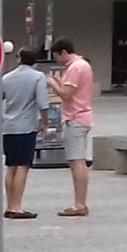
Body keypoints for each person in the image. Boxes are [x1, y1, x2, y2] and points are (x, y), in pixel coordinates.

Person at [0, 45, 49, 219]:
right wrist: (45, 123)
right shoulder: (38, 77)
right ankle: (17, 206)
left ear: (19, 58)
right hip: (26, 127)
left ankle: (9, 204)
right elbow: (42, 103)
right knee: (23, 166)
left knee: (11, 166)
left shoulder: (6, 77)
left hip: (8, 127)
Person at [45, 40, 95, 216]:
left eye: (57, 56)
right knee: (77, 161)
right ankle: (79, 203)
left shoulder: (75, 68)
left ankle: (79, 204)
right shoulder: (83, 65)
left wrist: (53, 83)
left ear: (64, 52)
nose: (57, 60)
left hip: (75, 117)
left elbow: (66, 94)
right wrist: (60, 82)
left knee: (76, 161)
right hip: (81, 116)